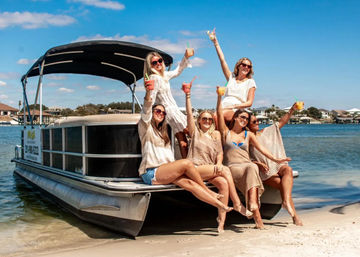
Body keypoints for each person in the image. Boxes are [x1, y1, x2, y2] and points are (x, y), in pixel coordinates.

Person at [138, 85, 233, 221]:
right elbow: (146, 109)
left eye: (163, 113)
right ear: (152, 113)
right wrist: (149, 92)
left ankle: (220, 205)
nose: (160, 113)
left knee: (190, 185)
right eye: (157, 111)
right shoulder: (145, 129)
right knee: (187, 163)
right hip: (151, 172)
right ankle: (208, 192)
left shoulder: (164, 133)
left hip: (165, 172)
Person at [216, 86, 291, 229]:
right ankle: (255, 210)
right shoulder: (226, 132)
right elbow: (219, 114)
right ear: (236, 118)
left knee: (252, 169)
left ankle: (255, 212)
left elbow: (262, 149)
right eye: (242, 117)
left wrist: (277, 160)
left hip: (247, 167)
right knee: (253, 171)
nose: (245, 120)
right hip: (232, 168)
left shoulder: (248, 135)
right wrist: (219, 96)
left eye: (247, 118)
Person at [184, 84, 251, 233]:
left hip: (210, 169)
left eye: (209, 119)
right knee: (226, 171)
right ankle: (237, 204)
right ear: (199, 121)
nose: (207, 121)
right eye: (204, 119)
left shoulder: (216, 135)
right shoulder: (195, 132)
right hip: (194, 169)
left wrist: (219, 163)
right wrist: (187, 95)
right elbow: (189, 114)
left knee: (223, 184)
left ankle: (221, 222)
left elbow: (220, 153)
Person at [248, 103, 303, 226]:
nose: (257, 123)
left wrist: (291, 110)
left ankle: (285, 202)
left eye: (257, 121)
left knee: (288, 170)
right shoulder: (247, 138)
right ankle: (295, 216)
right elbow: (243, 157)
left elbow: (282, 122)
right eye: (253, 122)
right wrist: (257, 163)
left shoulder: (268, 131)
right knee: (282, 186)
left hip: (278, 164)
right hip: (266, 170)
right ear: (248, 125)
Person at [144, 49, 194, 158]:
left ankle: (187, 163)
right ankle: (193, 163)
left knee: (182, 139)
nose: (158, 64)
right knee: (194, 132)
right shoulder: (154, 78)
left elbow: (177, 71)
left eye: (160, 61)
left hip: (173, 111)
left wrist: (185, 57)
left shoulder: (163, 75)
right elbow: (151, 98)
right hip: (170, 112)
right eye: (154, 62)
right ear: (150, 66)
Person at [209, 30, 256, 125]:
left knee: (217, 116)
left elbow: (250, 102)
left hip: (237, 109)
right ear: (238, 66)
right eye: (244, 65)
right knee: (210, 117)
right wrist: (216, 43)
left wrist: (234, 106)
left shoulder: (250, 82)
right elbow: (222, 60)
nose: (246, 67)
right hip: (223, 106)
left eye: (249, 66)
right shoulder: (231, 78)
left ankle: (221, 138)